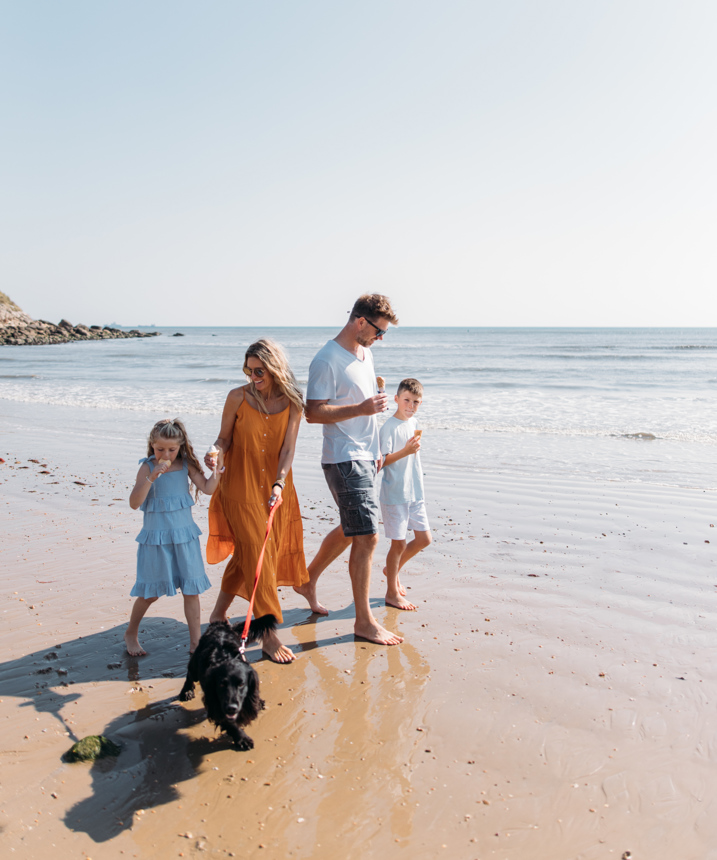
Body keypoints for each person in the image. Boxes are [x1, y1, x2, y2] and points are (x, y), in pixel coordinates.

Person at [303, 293, 403, 646]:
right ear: (360, 321)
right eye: (379, 331)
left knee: (353, 527)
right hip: (344, 457)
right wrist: (360, 409)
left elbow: (367, 409)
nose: (381, 338)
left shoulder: (366, 353)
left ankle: (307, 578)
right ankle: (363, 622)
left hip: (365, 456)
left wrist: (377, 447)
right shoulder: (326, 359)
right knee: (368, 536)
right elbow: (313, 412)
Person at [205, 339, 310, 663]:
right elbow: (223, 438)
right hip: (239, 487)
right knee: (258, 558)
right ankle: (269, 635)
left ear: (275, 368)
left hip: (275, 490)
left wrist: (279, 483)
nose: (253, 377)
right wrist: (214, 452)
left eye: (259, 371)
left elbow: (288, 450)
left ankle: (217, 614)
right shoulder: (237, 397)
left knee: (252, 554)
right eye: (248, 371)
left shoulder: (293, 401)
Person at [127, 418, 222, 657]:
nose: (166, 454)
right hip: (156, 541)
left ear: (180, 446)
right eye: (160, 449)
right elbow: (134, 502)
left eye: (171, 449)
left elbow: (208, 489)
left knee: (191, 590)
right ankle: (131, 633)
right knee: (150, 593)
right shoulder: (147, 467)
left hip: (184, 538)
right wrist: (152, 477)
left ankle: (195, 643)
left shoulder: (186, 465)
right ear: (152, 445)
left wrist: (217, 472)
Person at [378, 378, 432, 610]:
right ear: (396, 399)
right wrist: (406, 451)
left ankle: (392, 570)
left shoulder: (414, 422)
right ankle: (391, 592)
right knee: (397, 545)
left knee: (424, 539)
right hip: (394, 493)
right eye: (407, 400)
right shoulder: (388, 427)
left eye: (416, 402)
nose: (411, 406)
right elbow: (380, 462)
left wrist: (411, 451)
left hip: (415, 491)